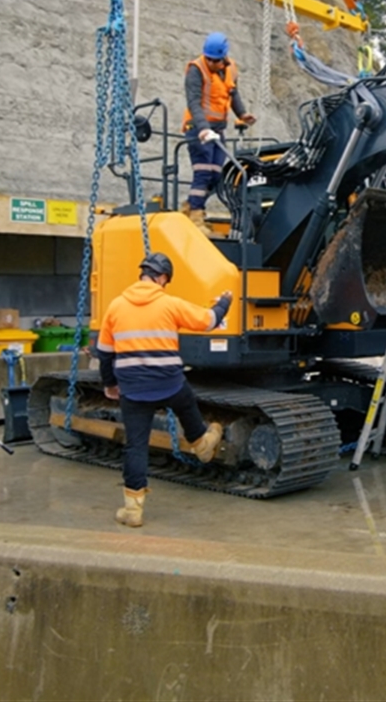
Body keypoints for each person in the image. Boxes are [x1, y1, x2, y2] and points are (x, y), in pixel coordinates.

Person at [97, 251, 232, 527]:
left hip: (133, 390)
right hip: (170, 384)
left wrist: (110, 384)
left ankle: (133, 511)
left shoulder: (116, 306)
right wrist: (225, 303)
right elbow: (208, 321)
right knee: (187, 404)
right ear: (160, 278)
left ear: (142, 274)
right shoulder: (169, 304)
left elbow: (104, 353)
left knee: (136, 447)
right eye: (166, 280)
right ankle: (203, 445)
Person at [183, 31, 256, 235]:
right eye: (209, 59)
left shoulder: (230, 68)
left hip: (217, 129)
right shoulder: (196, 69)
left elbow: (233, 93)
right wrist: (203, 128)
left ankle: (191, 206)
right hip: (197, 128)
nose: (212, 63)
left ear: (223, 57)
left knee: (216, 176)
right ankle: (196, 215)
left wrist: (242, 114)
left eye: (215, 60)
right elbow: (194, 102)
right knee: (203, 171)